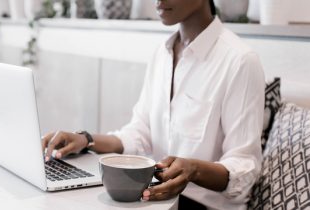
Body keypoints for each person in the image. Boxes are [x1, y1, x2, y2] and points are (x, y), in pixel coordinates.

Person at [42, 0, 265, 209]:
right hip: (156, 199)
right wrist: (86, 139)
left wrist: (193, 170)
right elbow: (140, 134)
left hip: (201, 204)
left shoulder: (240, 61)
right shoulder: (162, 54)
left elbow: (244, 169)